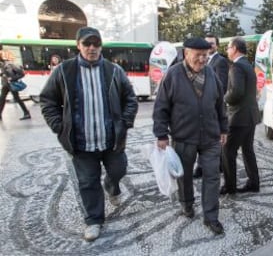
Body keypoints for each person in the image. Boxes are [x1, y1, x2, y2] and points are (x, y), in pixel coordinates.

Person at [39, 26, 138, 242]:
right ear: (78, 45)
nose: (92, 48)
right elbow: (47, 101)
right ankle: (93, 220)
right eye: (87, 44)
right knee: (87, 181)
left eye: (96, 44)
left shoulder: (114, 70)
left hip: (111, 140)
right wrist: (60, 126)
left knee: (119, 169)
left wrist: (125, 122)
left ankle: (112, 185)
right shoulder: (64, 71)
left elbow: (130, 98)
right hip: (81, 142)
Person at [152, 36, 228, 235]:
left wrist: (223, 128)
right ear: (186, 53)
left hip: (210, 137)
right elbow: (161, 107)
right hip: (183, 137)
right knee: (184, 176)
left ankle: (211, 217)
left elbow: (221, 105)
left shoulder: (211, 74)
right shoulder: (173, 75)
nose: (202, 59)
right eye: (198, 55)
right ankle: (186, 203)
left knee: (212, 176)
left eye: (205, 55)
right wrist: (161, 134)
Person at [220, 37, 261, 195]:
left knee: (227, 150)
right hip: (250, 116)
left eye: (229, 48)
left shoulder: (237, 66)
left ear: (235, 48)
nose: (227, 51)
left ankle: (230, 187)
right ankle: (253, 182)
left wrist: (224, 98)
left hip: (239, 117)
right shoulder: (248, 65)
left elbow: (236, 91)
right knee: (247, 150)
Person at [193, 33, 229, 179]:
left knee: (210, 137)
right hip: (201, 108)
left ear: (217, 45)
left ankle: (204, 167)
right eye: (206, 43)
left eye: (212, 43)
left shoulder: (220, 61)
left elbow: (222, 85)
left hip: (212, 107)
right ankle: (208, 165)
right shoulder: (204, 61)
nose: (209, 45)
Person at [0, 52, 31, 121]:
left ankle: (26, 113)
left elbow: (22, 74)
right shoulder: (2, 65)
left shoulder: (10, 65)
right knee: (2, 99)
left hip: (12, 84)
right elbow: (5, 74)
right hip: (6, 85)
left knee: (17, 99)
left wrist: (12, 78)